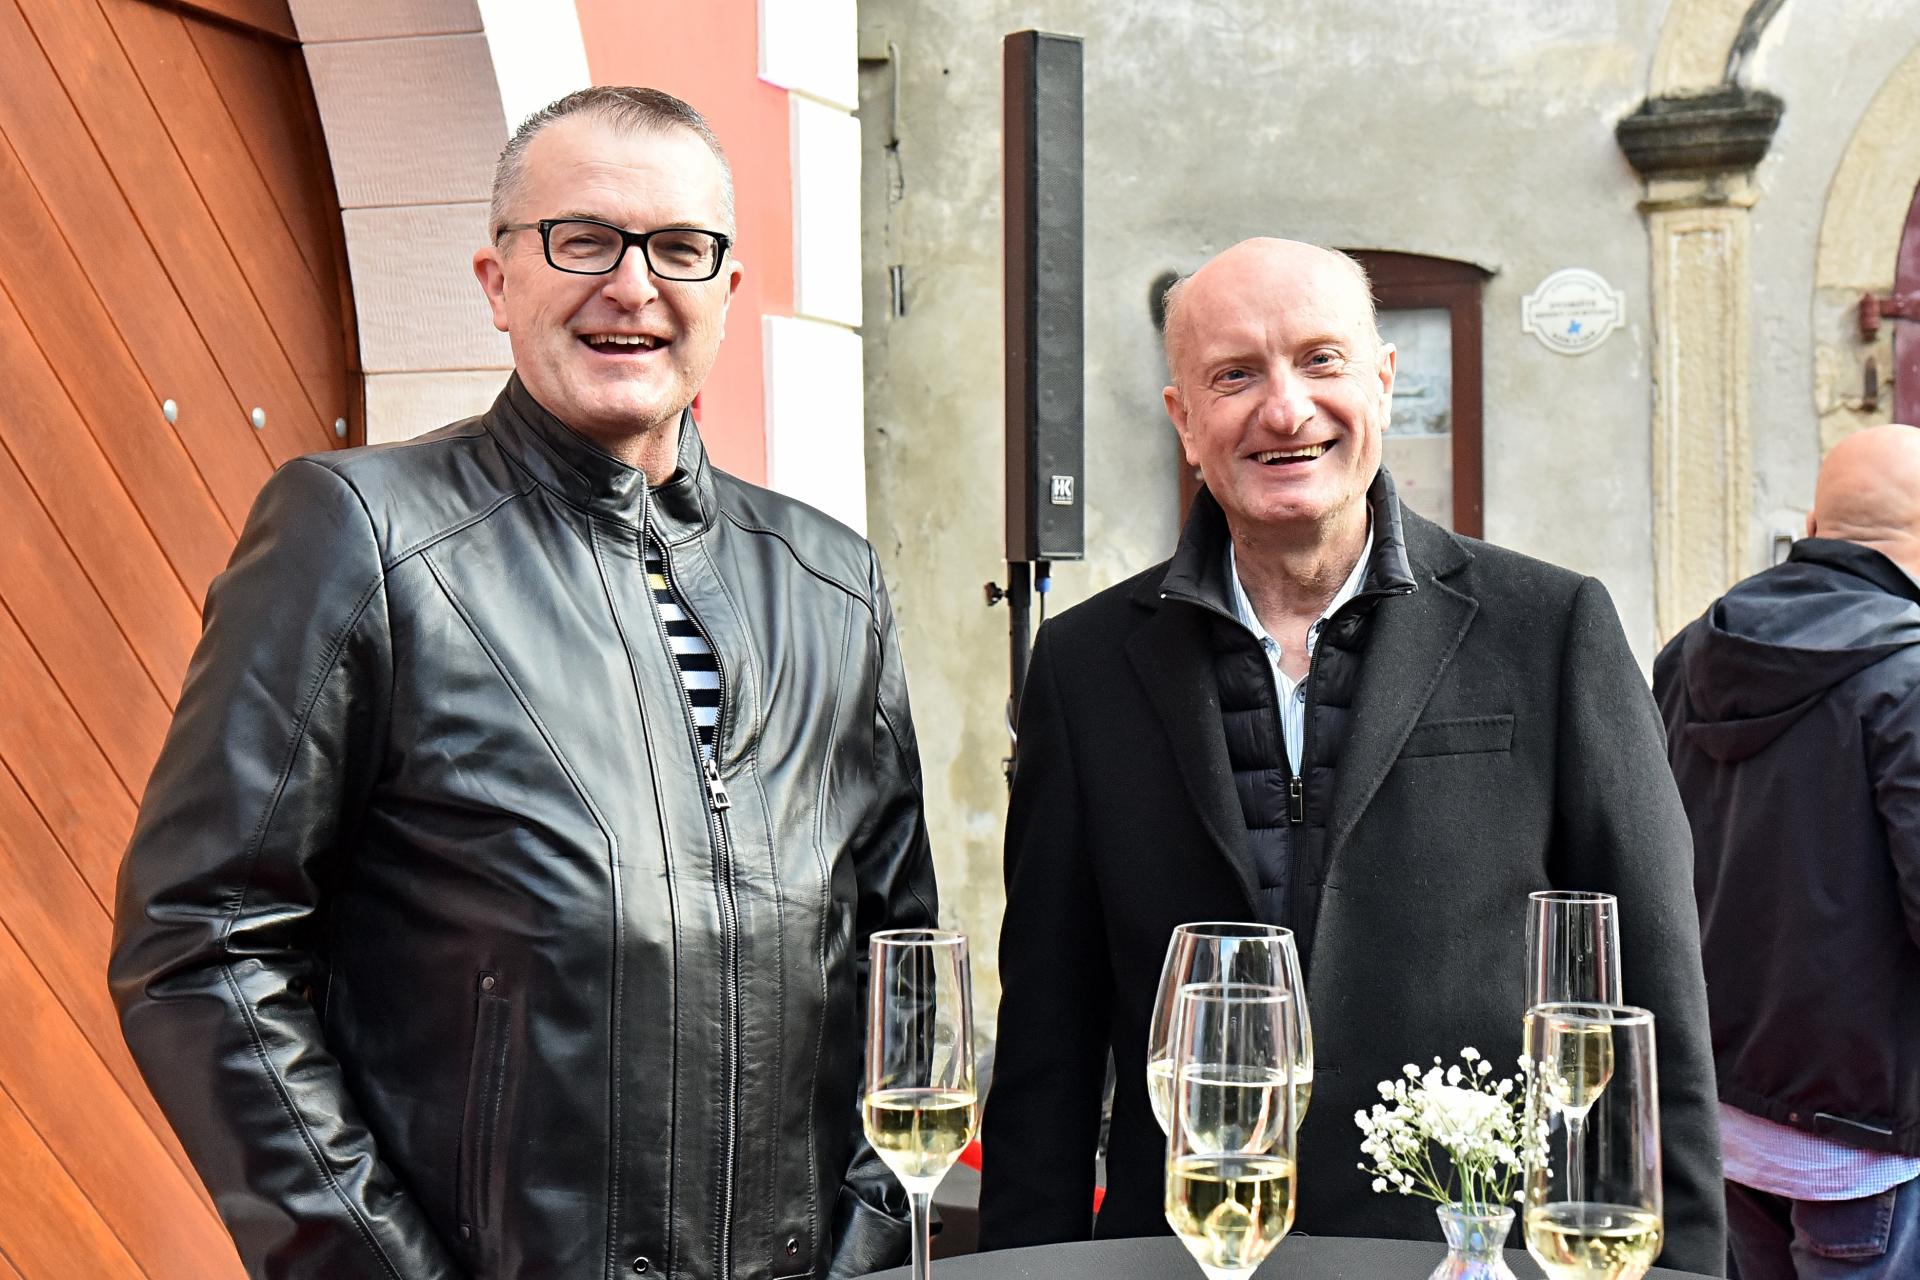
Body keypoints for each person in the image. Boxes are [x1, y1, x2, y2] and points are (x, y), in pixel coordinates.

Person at [109, 86, 935, 1280]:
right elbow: (202, 943)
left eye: (679, 247)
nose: (632, 286)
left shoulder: (831, 583)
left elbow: (905, 964)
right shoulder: (363, 535)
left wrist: (868, 1240)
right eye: (582, 239)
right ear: (498, 281)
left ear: (726, 289)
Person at [977, 237, 1725, 1271]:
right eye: (1235, 375)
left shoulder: (1550, 630)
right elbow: (1047, 1045)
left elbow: (1654, 1004)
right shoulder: (1085, 665)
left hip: (1466, 1255)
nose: (1286, 410)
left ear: (1382, 381)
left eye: (1321, 360)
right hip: (1185, 1255)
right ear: (1184, 420)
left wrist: (1682, 1266)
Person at [1655, 423, 1920, 1279]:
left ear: (1813, 525)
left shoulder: (1692, 650)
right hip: (1866, 1141)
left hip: (1724, 1117)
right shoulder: (1909, 674)